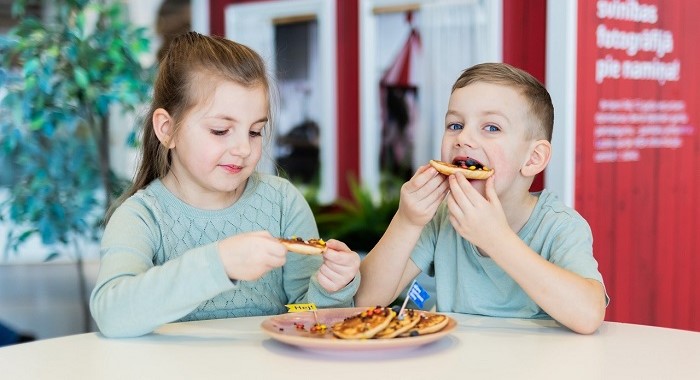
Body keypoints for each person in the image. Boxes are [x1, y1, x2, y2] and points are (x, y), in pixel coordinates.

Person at [90, 32, 361, 338]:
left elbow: (301, 314)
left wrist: (329, 288)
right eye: (221, 131)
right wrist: (219, 264)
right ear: (168, 130)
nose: (243, 149)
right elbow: (112, 314)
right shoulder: (141, 217)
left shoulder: (282, 202)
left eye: (255, 132)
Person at [356, 62, 607, 335]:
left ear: (533, 159)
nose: (463, 137)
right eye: (455, 124)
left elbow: (588, 315)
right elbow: (365, 301)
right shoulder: (442, 218)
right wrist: (407, 220)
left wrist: (496, 239)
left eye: (491, 128)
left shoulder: (560, 226)